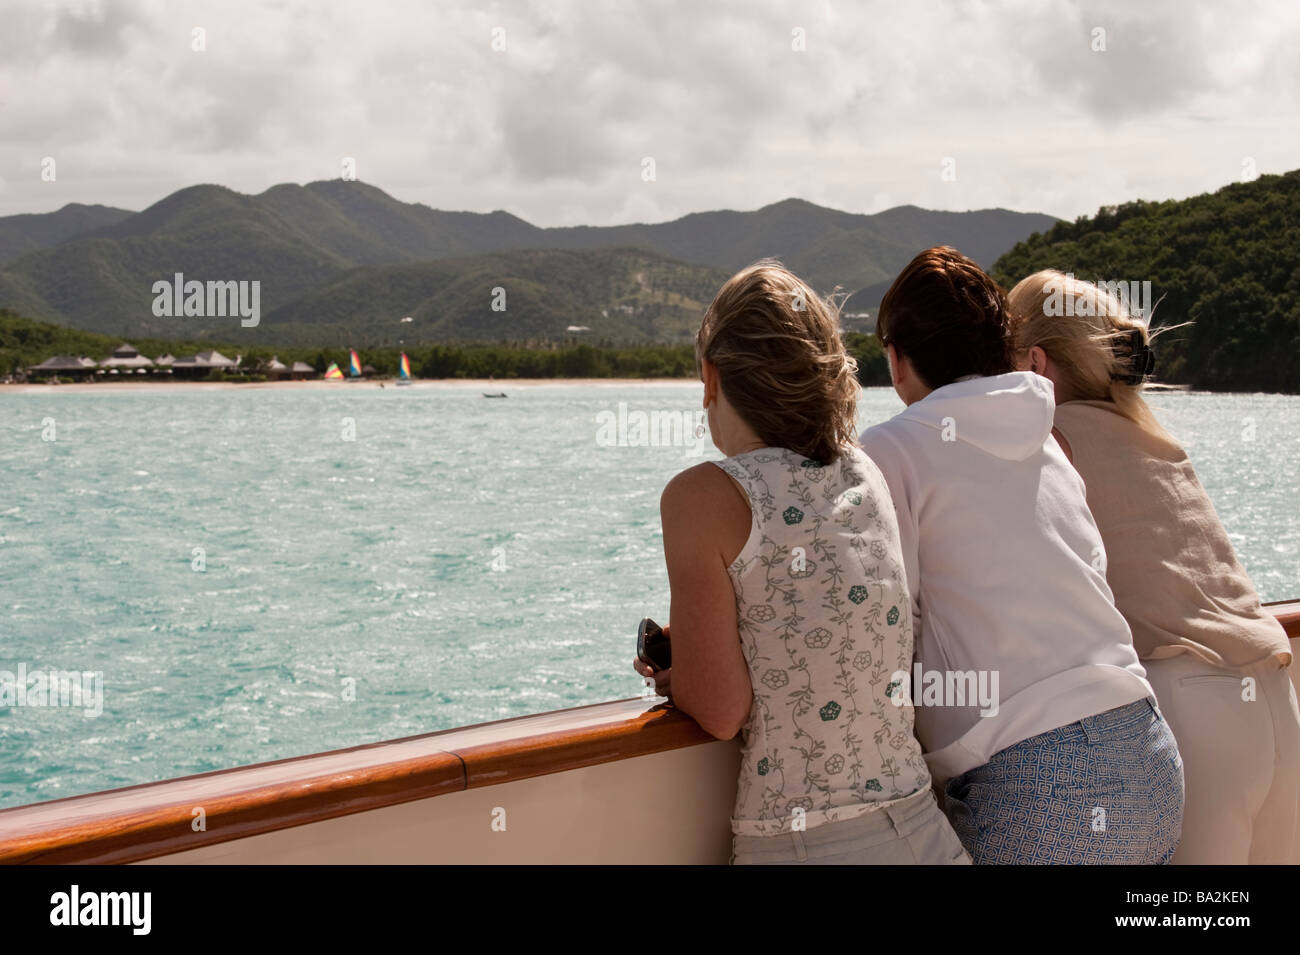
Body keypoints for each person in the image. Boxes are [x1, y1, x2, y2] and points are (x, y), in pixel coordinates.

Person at [634, 261, 969, 865]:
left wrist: (677, 674)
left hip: (805, 843)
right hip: (922, 827)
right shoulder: (863, 470)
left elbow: (720, 710)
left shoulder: (699, 497)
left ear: (711, 378)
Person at [857, 246, 1184, 864]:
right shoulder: (1047, 436)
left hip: (1036, 776)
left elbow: (882, 619)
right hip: (1148, 749)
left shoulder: (891, 448)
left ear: (897, 361)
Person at [1007, 269, 1300, 864]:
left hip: (1192, 706)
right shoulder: (1157, 441)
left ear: (1035, 363)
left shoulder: (1049, 441)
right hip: (1275, 693)